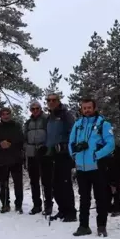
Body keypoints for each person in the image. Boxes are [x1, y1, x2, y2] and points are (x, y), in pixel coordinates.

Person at [69, 98, 115, 237]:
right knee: (84, 198)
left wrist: (97, 155)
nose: (87, 110)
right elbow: (71, 143)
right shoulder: (77, 125)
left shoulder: (103, 124)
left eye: (89, 107)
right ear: (81, 109)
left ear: (94, 108)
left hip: (97, 167)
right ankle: (83, 226)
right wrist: (75, 155)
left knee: (101, 198)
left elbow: (110, 144)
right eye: (84, 108)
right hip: (82, 168)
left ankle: (101, 226)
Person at [45, 93, 77, 222]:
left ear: (59, 101)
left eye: (54, 100)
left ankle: (71, 212)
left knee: (65, 184)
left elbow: (73, 133)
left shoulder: (66, 115)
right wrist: (45, 147)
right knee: (55, 184)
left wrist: (64, 146)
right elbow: (49, 135)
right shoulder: (49, 117)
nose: (51, 102)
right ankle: (62, 210)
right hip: (52, 154)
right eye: (49, 100)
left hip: (64, 155)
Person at [0, 108, 25, 214]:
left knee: (18, 184)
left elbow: (21, 139)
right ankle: (5, 204)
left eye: (7, 114)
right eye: (3, 114)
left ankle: (19, 205)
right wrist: (0, 144)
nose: (6, 116)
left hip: (16, 158)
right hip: (2, 159)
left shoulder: (17, 126)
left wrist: (10, 143)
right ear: (0, 116)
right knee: (3, 184)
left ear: (10, 115)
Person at [23, 100, 49, 215]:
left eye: (37, 108)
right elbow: (24, 137)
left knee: (46, 181)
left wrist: (45, 146)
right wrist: (26, 147)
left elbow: (51, 135)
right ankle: (36, 205)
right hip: (31, 154)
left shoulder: (46, 119)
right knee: (34, 181)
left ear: (40, 108)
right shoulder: (28, 122)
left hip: (44, 153)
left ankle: (48, 204)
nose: (35, 111)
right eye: (32, 109)